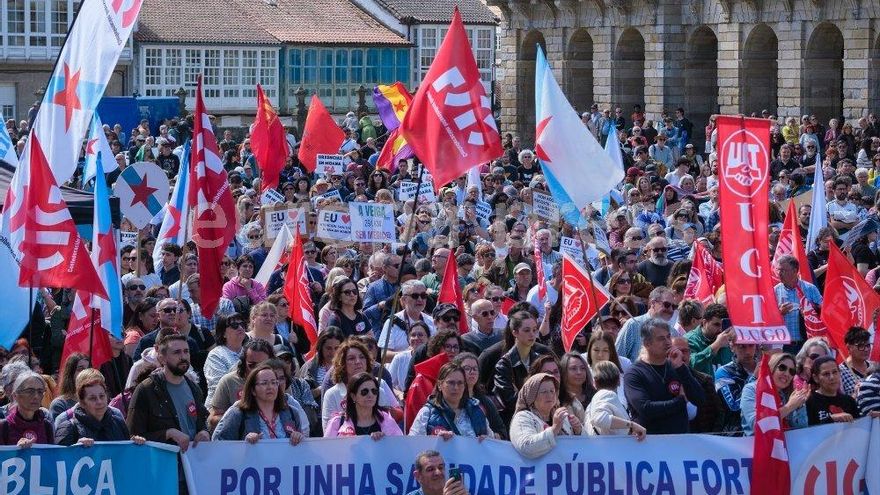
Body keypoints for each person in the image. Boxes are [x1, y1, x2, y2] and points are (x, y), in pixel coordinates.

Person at [623, 318, 705, 434]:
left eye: (668, 337)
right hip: (650, 444)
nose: (667, 342)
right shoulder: (634, 373)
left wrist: (681, 368)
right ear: (647, 344)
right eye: (661, 339)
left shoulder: (678, 367)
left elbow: (700, 399)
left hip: (679, 441)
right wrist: (680, 401)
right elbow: (646, 408)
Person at [212, 363, 306, 444]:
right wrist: (243, 444)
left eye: (274, 382)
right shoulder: (237, 414)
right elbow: (218, 443)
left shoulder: (292, 413)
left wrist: (299, 438)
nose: (270, 387)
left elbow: (302, 451)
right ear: (253, 390)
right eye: (264, 383)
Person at [321, 340, 400, 430]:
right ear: (342, 364)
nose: (358, 361)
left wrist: (388, 412)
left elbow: (393, 422)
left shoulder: (379, 387)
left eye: (362, 357)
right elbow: (328, 434)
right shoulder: (332, 394)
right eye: (351, 358)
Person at [54, 369, 146, 446]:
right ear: (82, 403)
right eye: (92, 398)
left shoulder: (119, 423)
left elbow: (125, 456)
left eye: (102, 396)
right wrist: (75, 449)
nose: (99, 402)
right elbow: (59, 461)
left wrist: (135, 444)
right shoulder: (68, 428)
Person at [509, 373, 585, 459]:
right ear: (532, 396)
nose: (550, 395)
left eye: (552, 391)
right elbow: (526, 447)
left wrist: (578, 430)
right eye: (544, 392)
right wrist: (554, 429)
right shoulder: (522, 418)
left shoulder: (561, 417)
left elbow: (587, 448)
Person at [409, 362, 493, 439]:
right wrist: (435, 441)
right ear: (439, 385)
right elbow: (413, 446)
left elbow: (492, 441)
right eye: (451, 383)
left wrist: (487, 442)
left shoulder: (476, 410)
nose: (456, 387)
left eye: (460, 383)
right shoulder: (427, 413)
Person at [493, 311, 552, 421]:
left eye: (534, 330)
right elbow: (510, 400)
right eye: (526, 330)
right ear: (515, 332)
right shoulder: (504, 364)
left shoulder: (540, 359)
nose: (532, 334)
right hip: (517, 420)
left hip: (543, 417)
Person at [208, 340, 275, 429]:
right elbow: (212, 419)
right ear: (243, 363)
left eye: (264, 365)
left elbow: (288, 413)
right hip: (240, 440)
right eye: (252, 365)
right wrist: (241, 420)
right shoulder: (229, 381)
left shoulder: (279, 380)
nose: (258, 370)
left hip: (274, 439)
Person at [740, 353, 808, 435]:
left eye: (791, 371)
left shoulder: (787, 394)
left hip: (784, 445)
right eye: (782, 368)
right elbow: (757, 425)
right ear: (771, 368)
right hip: (755, 445)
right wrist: (789, 406)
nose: (787, 374)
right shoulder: (751, 389)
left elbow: (801, 430)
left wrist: (799, 405)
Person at [324, 372, 403, 439]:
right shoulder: (337, 422)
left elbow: (398, 447)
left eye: (374, 391)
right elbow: (327, 451)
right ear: (353, 396)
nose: (370, 395)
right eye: (364, 392)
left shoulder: (387, 419)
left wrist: (384, 441)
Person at [585, 361, 646, 439]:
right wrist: (631, 425)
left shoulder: (592, 404)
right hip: (608, 449)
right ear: (619, 381)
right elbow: (599, 419)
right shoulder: (607, 394)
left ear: (595, 383)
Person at [774, 255, 823, 351]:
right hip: (784, 345)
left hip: (807, 344)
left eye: (783, 270)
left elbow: (823, 310)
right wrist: (779, 313)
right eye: (778, 270)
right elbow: (768, 318)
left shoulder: (810, 288)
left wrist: (810, 309)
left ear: (795, 271)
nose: (779, 273)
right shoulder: (775, 291)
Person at [615, 287, 677, 362]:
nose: (670, 310)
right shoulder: (633, 325)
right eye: (667, 305)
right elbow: (618, 357)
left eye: (674, 307)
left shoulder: (674, 333)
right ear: (653, 303)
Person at [378, 280, 436, 358]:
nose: (420, 299)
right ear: (403, 300)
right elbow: (384, 356)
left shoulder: (431, 321)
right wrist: (409, 353)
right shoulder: (392, 322)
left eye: (423, 296)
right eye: (415, 296)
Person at [714, 339, 758, 435]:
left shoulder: (768, 368)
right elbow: (733, 406)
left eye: (751, 345)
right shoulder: (724, 372)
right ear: (732, 346)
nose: (747, 351)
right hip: (737, 434)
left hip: (767, 428)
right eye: (741, 346)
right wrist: (755, 378)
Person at [203, 314, 247, 408]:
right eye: (234, 325)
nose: (240, 327)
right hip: (219, 409)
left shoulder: (249, 352)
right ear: (223, 333)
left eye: (242, 324)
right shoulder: (215, 355)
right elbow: (219, 386)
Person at [0, 371, 53, 447]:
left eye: (40, 391)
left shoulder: (47, 426)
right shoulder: (3, 427)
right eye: (30, 391)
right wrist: (16, 450)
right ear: (15, 395)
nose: (36, 396)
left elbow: (52, 456)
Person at [806, 356, 861, 425]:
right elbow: (808, 431)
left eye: (835, 372)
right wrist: (831, 419)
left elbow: (859, 427)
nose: (832, 377)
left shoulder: (849, 401)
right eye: (826, 374)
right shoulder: (809, 401)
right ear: (816, 378)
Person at [685, 303, 733, 375]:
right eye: (716, 324)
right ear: (704, 322)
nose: (720, 329)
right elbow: (691, 365)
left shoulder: (727, 340)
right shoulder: (689, 340)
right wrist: (716, 345)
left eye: (722, 325)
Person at [49, 353, 90, 418]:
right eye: (80, 369)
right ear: (70, 374)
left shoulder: (97, 400)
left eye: (88, 369)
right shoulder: (60, 404)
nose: (85, 373)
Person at [838, 326, 874, 397]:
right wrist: (855, 395)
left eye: (868, 345)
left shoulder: (874, 367)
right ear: (849, 348)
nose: (866, 349)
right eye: (861, 346)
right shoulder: (840, 372)